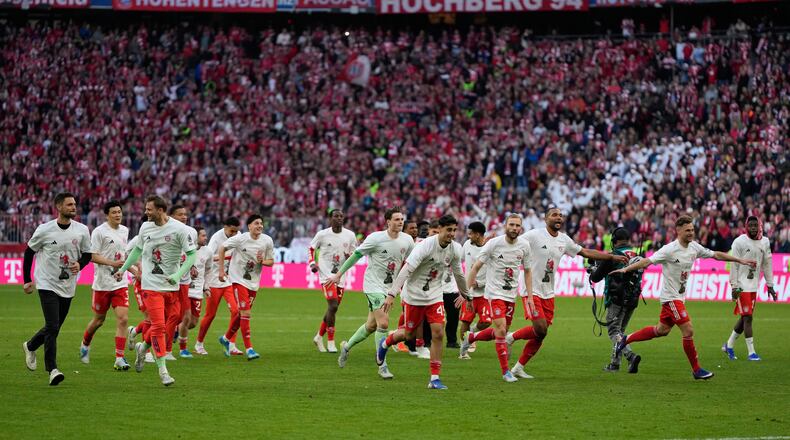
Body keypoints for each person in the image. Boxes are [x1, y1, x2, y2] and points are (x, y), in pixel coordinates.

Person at [613, 215, 756, 380]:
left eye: (692, 230)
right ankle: (696, 370)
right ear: (678, 230)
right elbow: (646, 262)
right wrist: (625, 270)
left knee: (661, 330)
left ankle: (625, 339)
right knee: (688, 330)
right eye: (688, 230)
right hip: (670, 298)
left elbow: (715, 255)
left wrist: (739, 260)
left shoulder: (694, 247)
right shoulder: (669, 249)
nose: (691, 233)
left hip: (679, 298)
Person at [508, 207, 627, 379]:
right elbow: (513, 242)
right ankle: (511, 337)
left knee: (542, 333)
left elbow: (585, 252)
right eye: (554, 215)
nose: (558, 218)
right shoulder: (534, 235)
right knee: (540, 328)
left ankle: (518, 367)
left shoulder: (564, 240)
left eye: (560, 215)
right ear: (546, 218)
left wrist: (610, 257)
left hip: (548, 292)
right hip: (531, 290)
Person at [377, 214, 469, 389]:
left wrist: (466, 294)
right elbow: (406, 270)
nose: (452, 234)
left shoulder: (455, 249)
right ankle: (386, 342)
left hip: (434, 296)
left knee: (438, 333)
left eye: (454, 230)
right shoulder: (425, 246)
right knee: (409, 334)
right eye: (448, 230)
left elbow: (458, 273)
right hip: (413, 296)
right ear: (439, 229)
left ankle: (434, 378)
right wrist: (391, 294)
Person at [115, 195, 197, 386]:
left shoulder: (180, 230)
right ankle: (163, 372)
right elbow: (137, 251)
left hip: (171, 286)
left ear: (160, 210)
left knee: (174, 319)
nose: (146, 212)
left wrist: (177, 275)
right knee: (159, 326)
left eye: (149, 209)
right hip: (151, 285)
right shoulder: (145, 227)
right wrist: (122, 269)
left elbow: (192, 255)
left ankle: (143, 347)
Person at [327, 206, 414, 379]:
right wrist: (338, 274)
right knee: (383, 323)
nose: (400, 222)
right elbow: (356, 255)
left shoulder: (407, 241)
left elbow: (410, 264)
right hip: (373, 285)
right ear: (388, 222)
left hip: (389, 289)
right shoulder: (376, 238)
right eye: (396, 219)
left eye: (402, 219)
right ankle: (382, 365)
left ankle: (346, 347)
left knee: (371, 326)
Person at [22, 192, 92, 386]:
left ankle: (30, 345)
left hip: (68, 285)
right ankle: (52, 369)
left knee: (55, 327)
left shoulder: (82, 230)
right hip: (46, 283)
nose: (73, 207)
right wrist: (27, 279)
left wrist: (80, 264)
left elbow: (87, 254)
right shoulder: (44, 229)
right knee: (52, 326)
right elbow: (29, 252)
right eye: (69, 204)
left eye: (74, 204)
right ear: (59, 207)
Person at [460, 214, 532, 382]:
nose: (514, 228)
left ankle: (472, 337)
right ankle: (506, 371)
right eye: (511, 225)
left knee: (503, 331)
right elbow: (475, 267)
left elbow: (528, 271)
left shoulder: (524, 245)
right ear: (505, 226)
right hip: (494, 294)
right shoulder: (494, 244)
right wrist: (467, 292)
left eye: (517, 226)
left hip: (511, 295)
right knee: (501, 330)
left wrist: (529, 295)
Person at [79, 200, 131, 371]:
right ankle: (85, 344)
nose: (118, 215)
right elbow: (92, 256)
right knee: (99, 320)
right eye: (114, 212)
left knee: (123, 319)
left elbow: (123, 256)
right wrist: (112, 263)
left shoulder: (124, 230)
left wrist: (132, 269)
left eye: (119, 212)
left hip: (120, 282)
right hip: (102, 284)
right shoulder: (99, 232)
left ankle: (119, 358)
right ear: (107, 215)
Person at [218, 214, 274, 360]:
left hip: (253, 283)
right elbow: (222, 248)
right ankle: (249, 349)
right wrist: (222, 270)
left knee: (240, 315)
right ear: (249, 226)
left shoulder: (267, 240)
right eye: (256, 223)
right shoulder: (240, 239)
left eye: (261, 223)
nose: (260, 226)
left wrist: (263, 261)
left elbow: (271, 261)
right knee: (246, 313)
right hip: (238, 280)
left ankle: (225, 338)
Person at [589, 227, 642, 373]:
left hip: (617, 299)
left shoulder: (613, 256)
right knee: (619, 332)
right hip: (633, 299)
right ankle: (615, 364)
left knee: (613, 331)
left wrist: (593, 269)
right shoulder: (637, 255)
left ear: (614, 240)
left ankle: (630, 356)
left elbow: (596, 277)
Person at [722, 216, 776, 361]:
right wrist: (734, 286)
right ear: (746, 226)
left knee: (744, 317)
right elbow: (734, 264)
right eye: (750, 225)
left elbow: (767, 264)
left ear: (760, 226)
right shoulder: (739, 242)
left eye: (755, 225)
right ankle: (751, 353)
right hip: (741, 286)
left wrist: (770, 285)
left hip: (753, 286)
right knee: (748, 318)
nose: (753, 228)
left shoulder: (764, 242)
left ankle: (728, 345)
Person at [309, 209, 357, 353]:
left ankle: (318, 337)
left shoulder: (350, 235)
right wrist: (312, 263)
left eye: (341, 216)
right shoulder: (322, 234)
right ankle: (330, 342)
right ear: (330, 219)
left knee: (332, 309)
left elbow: (355, 254)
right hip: (326, 275)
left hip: (341, 276)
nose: (339, 218)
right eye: (336, 216)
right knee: (333, 305)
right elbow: (311, 248)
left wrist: (350, 256)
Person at [195, 217, 242, 355]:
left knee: (237, 312)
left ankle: (231, 344)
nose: (234, 234)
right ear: (225, 227)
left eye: (236, 231)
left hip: (228, 280)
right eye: (232, 231)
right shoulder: (216, 238)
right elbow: (208, 257)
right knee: (210, 315)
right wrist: (226, 256)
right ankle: (199, 343)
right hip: (214, 280)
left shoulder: (238, 235)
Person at [167, 205, 198, 360]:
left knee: (185, 316)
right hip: (169, 280)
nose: (184, 217)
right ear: (171, 216)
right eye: (180, 214)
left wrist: (192, 267)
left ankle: (178, 347)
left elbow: (191, 253)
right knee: (171, 315)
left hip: (184, 280)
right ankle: (165, 350)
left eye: (185, 214)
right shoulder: (166, 230)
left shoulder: (192, 232)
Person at [177, 227, 213, 358]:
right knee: (185, 319)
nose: (206, 238)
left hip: (198, 291)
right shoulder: (185, 250)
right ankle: (183, 349)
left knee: (192, 323)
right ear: (195, 237)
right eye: (203, 235)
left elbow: (208, 270)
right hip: (184, 289)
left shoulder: (208, 252)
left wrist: (206, 287)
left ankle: (176, 330)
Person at [458, 221, 491, 359]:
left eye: (470, 233)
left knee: (487, 321)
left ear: (478, 235)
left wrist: (480, 283)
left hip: (484, 293)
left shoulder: (490, 249)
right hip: (469, 293)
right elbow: (459, 260)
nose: (468, 236)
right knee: (465, 321)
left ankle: (472, 334)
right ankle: (463, 352)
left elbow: (494, 271)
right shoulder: (467, 245)